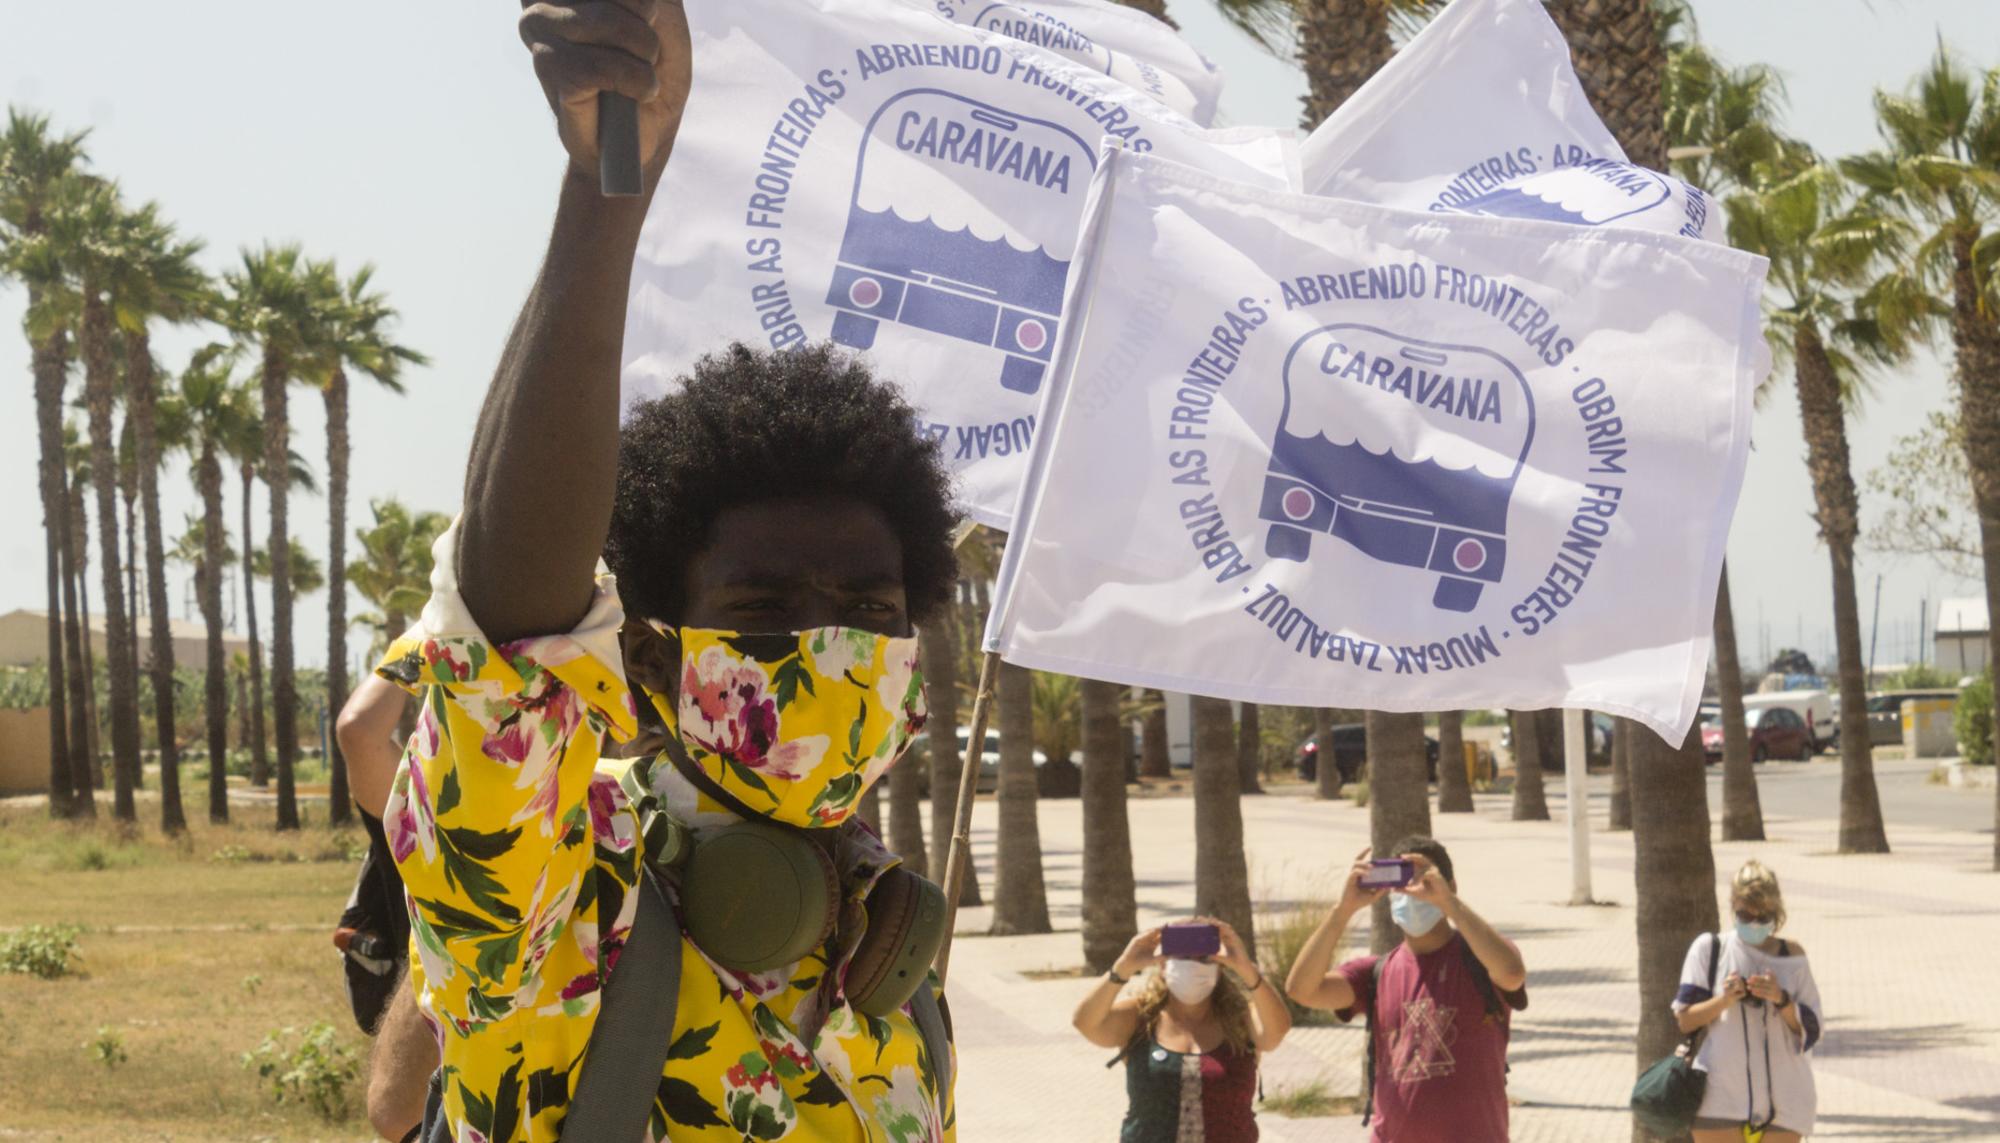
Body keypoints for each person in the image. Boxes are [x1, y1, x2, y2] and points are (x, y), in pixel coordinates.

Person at [375, 3, 963, 1138]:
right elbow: (507, 645)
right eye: (760, 612)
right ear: (648, 655)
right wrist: (610, 184)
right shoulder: (558, 924)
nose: (822, 647)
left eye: (865, 615)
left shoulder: (894, 952)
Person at [1284, 839, 1528, 1143]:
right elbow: (1301, 990)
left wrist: (1450, 904)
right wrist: (1343, 910)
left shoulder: (1480, 959)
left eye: (1423, 877)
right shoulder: (1376, 973)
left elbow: (1512, 973)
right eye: (1402, 879)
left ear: (1449, 885)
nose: (1412, 890)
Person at [1071, 918, 1291, 1142]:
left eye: (1204, 958)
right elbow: (1086, 1023)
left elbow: (1277, 1031)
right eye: (1183, 957)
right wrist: (1123, 968)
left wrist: (1247, 969)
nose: (1193, 965)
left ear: (1219, 967)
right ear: (1163, 965)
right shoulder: (1140, 1017)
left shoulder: (1240, 1020)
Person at [1672, 860, 1822, 1142]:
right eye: (1744, 915)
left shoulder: (1791, 956)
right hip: (1720, 1097)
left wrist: (1781, 999)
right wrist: (1725, 999)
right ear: (1732, 906)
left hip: (1786, 1100)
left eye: (1762, 917)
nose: (1753, 923)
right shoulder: (1710, 949)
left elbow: (1812, 1029)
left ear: (1775, 911)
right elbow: (1685, 1019)